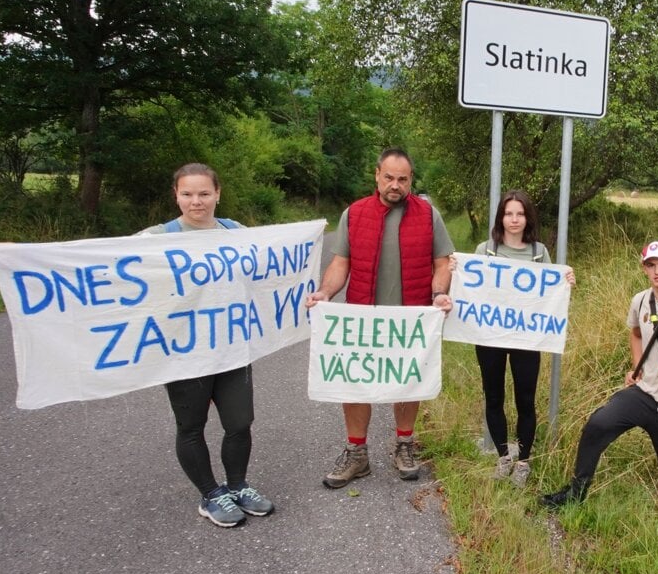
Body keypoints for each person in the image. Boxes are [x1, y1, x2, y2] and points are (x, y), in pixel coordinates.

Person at [304, 147, 454, 487]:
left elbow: (442, 261)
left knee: (408, 378)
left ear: (411, 180)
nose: (395, 185)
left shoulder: (429, 215)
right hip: (363, 315)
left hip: (410, 316)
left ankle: (404, 444)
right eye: (389, 177)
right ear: (377, 175)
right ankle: (357, 454)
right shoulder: (354, 214)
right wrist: (325, 293)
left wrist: (439, 292)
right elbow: (341, 262)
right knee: (354, 380)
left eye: (403, 179)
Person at [138, 162, 274, 528]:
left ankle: (238, 486)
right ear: (176, 196)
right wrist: (15, 258)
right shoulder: (157, 238)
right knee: (191, 425)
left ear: (217, 194)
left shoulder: (236, 232)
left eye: (203, 193)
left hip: (231, 347)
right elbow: (98, 261)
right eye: (187, 194)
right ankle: (210, 494)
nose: (195, 202)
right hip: (186, 354)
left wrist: (307, 240)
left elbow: (270, 264)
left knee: (239, 423)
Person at [540, 241, 658, 510]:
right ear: (644, 269)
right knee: (598, 424)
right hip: (645, 394)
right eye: (651, 265)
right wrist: (637, 367)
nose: (657, 271)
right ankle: (575, 493)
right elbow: (636, 332)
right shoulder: (640, 300)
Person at [469, 190, 574, 487]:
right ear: (501, 217)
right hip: (490, 335)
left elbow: (550, 292)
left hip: (527, 338)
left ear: (527, 218)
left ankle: (524, 460)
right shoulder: (485, 249)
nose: (514, 220)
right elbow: (470, 288)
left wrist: (565, 282)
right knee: (494, 395)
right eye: (508, 213)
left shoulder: (539, 252)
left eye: (520, 214)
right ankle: (503, 456)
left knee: (525, 399)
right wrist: (457, 272)